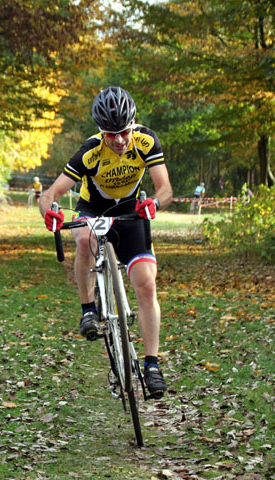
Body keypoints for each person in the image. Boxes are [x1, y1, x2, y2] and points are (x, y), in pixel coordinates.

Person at [39, 86, 173, 398]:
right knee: (84, 239)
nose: (119, 140)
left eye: (124, 131)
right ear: (101, 132)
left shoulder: (146, 141)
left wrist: (154, 202)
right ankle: (88, 308)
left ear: (134, 124)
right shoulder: (89, 152)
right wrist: (50, 212)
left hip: (130, 212)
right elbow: (51, 194)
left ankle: (152, 365)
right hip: (93, 210)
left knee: (147, 284)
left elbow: (165, 188)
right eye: (111, 134)